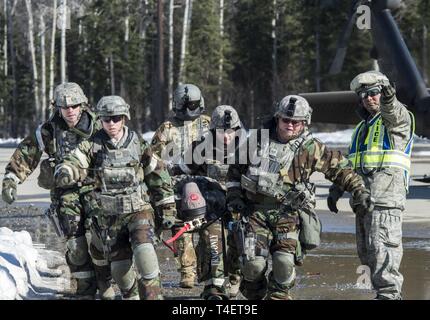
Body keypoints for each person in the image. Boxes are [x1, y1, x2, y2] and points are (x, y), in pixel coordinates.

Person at [226, 95, 374, 300]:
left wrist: (360, 191)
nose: (290, 125)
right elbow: (234, 172)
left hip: (288, 214)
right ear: (277, 118)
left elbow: (341, 170)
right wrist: (234, 197)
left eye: (296, 122)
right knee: (253, 266)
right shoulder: (256, 141)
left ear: (305, 123)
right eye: (286, 120)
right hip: (254, 213)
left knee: (284, 263)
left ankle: (278, 295)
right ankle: (255, 292)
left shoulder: (311, 148)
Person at [54, 95, 177, 300]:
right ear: (100, 120)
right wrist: (66, 170)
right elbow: (74, 160)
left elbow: (157, 173)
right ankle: (132, 295)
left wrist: (167, 205)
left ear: (124, 118)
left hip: (138, 209)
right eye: (107, 119)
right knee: (120, 270)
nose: (112, 123)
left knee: (145, 254)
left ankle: (154, 297)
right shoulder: (91, 145)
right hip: (108, 217)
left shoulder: (137, 143)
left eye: (117, 118)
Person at [1, 82, 109, 299]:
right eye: (64, 106)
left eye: (74, 106)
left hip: (97, 189)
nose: (70, 111)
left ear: (83, 105)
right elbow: (26, 155)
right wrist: (11, 181)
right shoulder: (48, 130)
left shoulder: (101, 126)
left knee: (104, 238)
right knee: (75, 244)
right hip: (65, 193)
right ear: (56, 107)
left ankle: (105, 281)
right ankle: (85, 287)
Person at [327, 71, 415, 300]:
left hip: (386, 201)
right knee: (368, 255)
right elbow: (351, 162)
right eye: (364, 95)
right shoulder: (361, 128)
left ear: (384, 93)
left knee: (384, 253)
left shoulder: (396, 120)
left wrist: (389, 100)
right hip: (363, 201)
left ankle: (390, 296)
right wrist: (338, 187)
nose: (368, 98)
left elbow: (393, 113)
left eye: (374, 93)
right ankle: (381, 294)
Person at [172, 105, 244, 299]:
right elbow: (179, 173)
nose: (226, 137)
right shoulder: (200, 147)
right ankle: (213, 285)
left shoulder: (249, 148)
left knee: (240, 244)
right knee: (211, 242)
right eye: (221, 132)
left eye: (230, 132)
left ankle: (236, 276)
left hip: (240, 208)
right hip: (212, 210)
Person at [151, 83, 210, 288]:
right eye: (184, 105)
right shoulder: (167, 128)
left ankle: (208, 270)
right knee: (181, 227)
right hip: (176, 184)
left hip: (206, 185)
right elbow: (153, 159)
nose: (188, 110)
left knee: (208, 229)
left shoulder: (208, 125)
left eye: (192, 105)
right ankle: (187, 271)